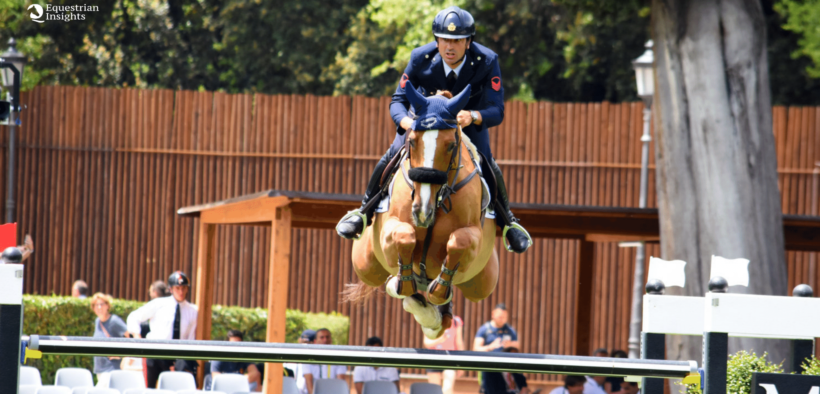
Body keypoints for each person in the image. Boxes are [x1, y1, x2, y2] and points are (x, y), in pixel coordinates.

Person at [334, 5, 532, 254]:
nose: (450, 47)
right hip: (423, 127)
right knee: (392, 154)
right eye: (445, 40)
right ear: (436, 40)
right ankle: (364, 211)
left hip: (465, 127)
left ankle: (508, 222)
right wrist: (406, 122)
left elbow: (497, 109)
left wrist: (473, 115)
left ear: (468, 42)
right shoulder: (420, 58)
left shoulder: (487, 61)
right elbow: (398, 101)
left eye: (457, 41)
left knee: (487, 162)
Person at [126, 271, 197, 388]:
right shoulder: (159, 304)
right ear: (171, 289)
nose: (181, 291)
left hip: (177, 356)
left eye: (184, 288)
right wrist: (138, 339)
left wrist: (181, 359)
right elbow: (134, 317)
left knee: (174, 389)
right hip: (154, 352)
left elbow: (190, 338)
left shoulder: (192, 311)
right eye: (177, 288)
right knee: (149, 388)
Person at [90, 292, 128, 387]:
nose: (99, 307)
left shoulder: (114, 321)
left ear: (107, 305)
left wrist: (120, 355)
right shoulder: (97, 321)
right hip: (100, 369)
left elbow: (130, 337)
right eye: (96, 305)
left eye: (101, 304)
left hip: (112, 369)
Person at [423, 315, 464, 394]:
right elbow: (427, 343)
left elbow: (459, 342)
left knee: (447, 389)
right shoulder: (430, 320)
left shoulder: (456, 321)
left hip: (449, 357)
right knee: (434, 390)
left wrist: (461, 364)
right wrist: (441, 339)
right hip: (433, 357)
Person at [303, 328, 348, 394]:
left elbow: (340, 382)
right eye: (322, 337)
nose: (325, 340)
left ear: (331, 340)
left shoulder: (339, 358)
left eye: (327, 337)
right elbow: (309, 382)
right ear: (315, 341)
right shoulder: (309, 358)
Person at [290, 329, 317, 394]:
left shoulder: (315, 362)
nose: (305, 345)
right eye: (303, 342)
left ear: (315, 342)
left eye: (308, 343)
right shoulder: (291, 357)